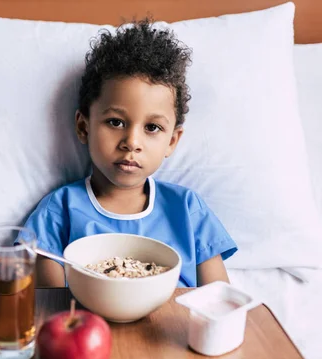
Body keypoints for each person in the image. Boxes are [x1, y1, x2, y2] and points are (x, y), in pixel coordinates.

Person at [19, 19, 237, 287]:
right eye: (115, 122)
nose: (132, 142)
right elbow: (52, 303)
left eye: (152, 127)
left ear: (172, 141)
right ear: (83, 126)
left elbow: (220, 299)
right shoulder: (60, 210)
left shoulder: (187, 210)